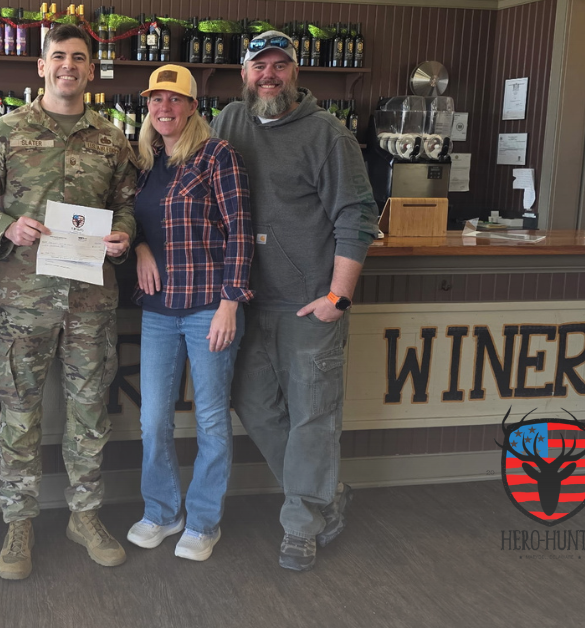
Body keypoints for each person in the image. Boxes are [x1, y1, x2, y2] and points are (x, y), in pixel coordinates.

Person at [0, 24, 137, 581]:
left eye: (78, 58)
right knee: (20, 415)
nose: (68, 66)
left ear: (91, 70)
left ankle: (84, 517)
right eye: (58, 56)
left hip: (90, 303)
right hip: (26, 299)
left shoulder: (113, 139)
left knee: (88, 416)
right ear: (41, 66)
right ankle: (19, 522)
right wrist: (7, 227)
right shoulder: (4, 133)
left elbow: (127, 205)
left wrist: (125, 236)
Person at [211, 31, 380, 572]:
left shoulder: (328, 134)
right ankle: (324, 494)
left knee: (313, 417)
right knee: (253, 404)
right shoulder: (228, 123)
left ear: (296, 73)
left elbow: (357, 215)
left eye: (281, 65)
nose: (270, 75)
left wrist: (339, 296)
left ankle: (302, 525)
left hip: (309, 304)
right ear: (243, 74)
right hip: (244, 299)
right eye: (260, 65)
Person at [124, 65, 253, 562]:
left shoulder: (218, 155)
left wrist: (229, 304)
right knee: (153, 420)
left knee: (212, 422)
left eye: (174, 100)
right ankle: (162, 511)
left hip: (207, 308)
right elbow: (129, 216)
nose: (164, 108)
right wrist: (138, 247)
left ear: (193, 106)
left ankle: (202, 521)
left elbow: (241, 231)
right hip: (158, 310)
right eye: (156, 99)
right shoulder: (145, 160)